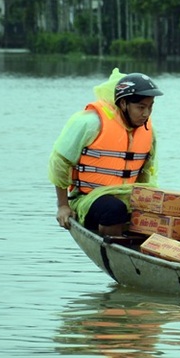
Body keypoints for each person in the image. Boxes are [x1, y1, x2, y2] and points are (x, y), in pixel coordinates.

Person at [49, 69, 163, 236]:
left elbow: (145, 173)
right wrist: (62, 206)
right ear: (123, 104)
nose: (146, 113)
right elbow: (60, 163)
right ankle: (115, 245)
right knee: (114, 209)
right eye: (140, 107)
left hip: (127, 197)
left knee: (164, 208)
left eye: (150, 107)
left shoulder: (148, 132)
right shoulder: (90, 123)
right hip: (87, 199)